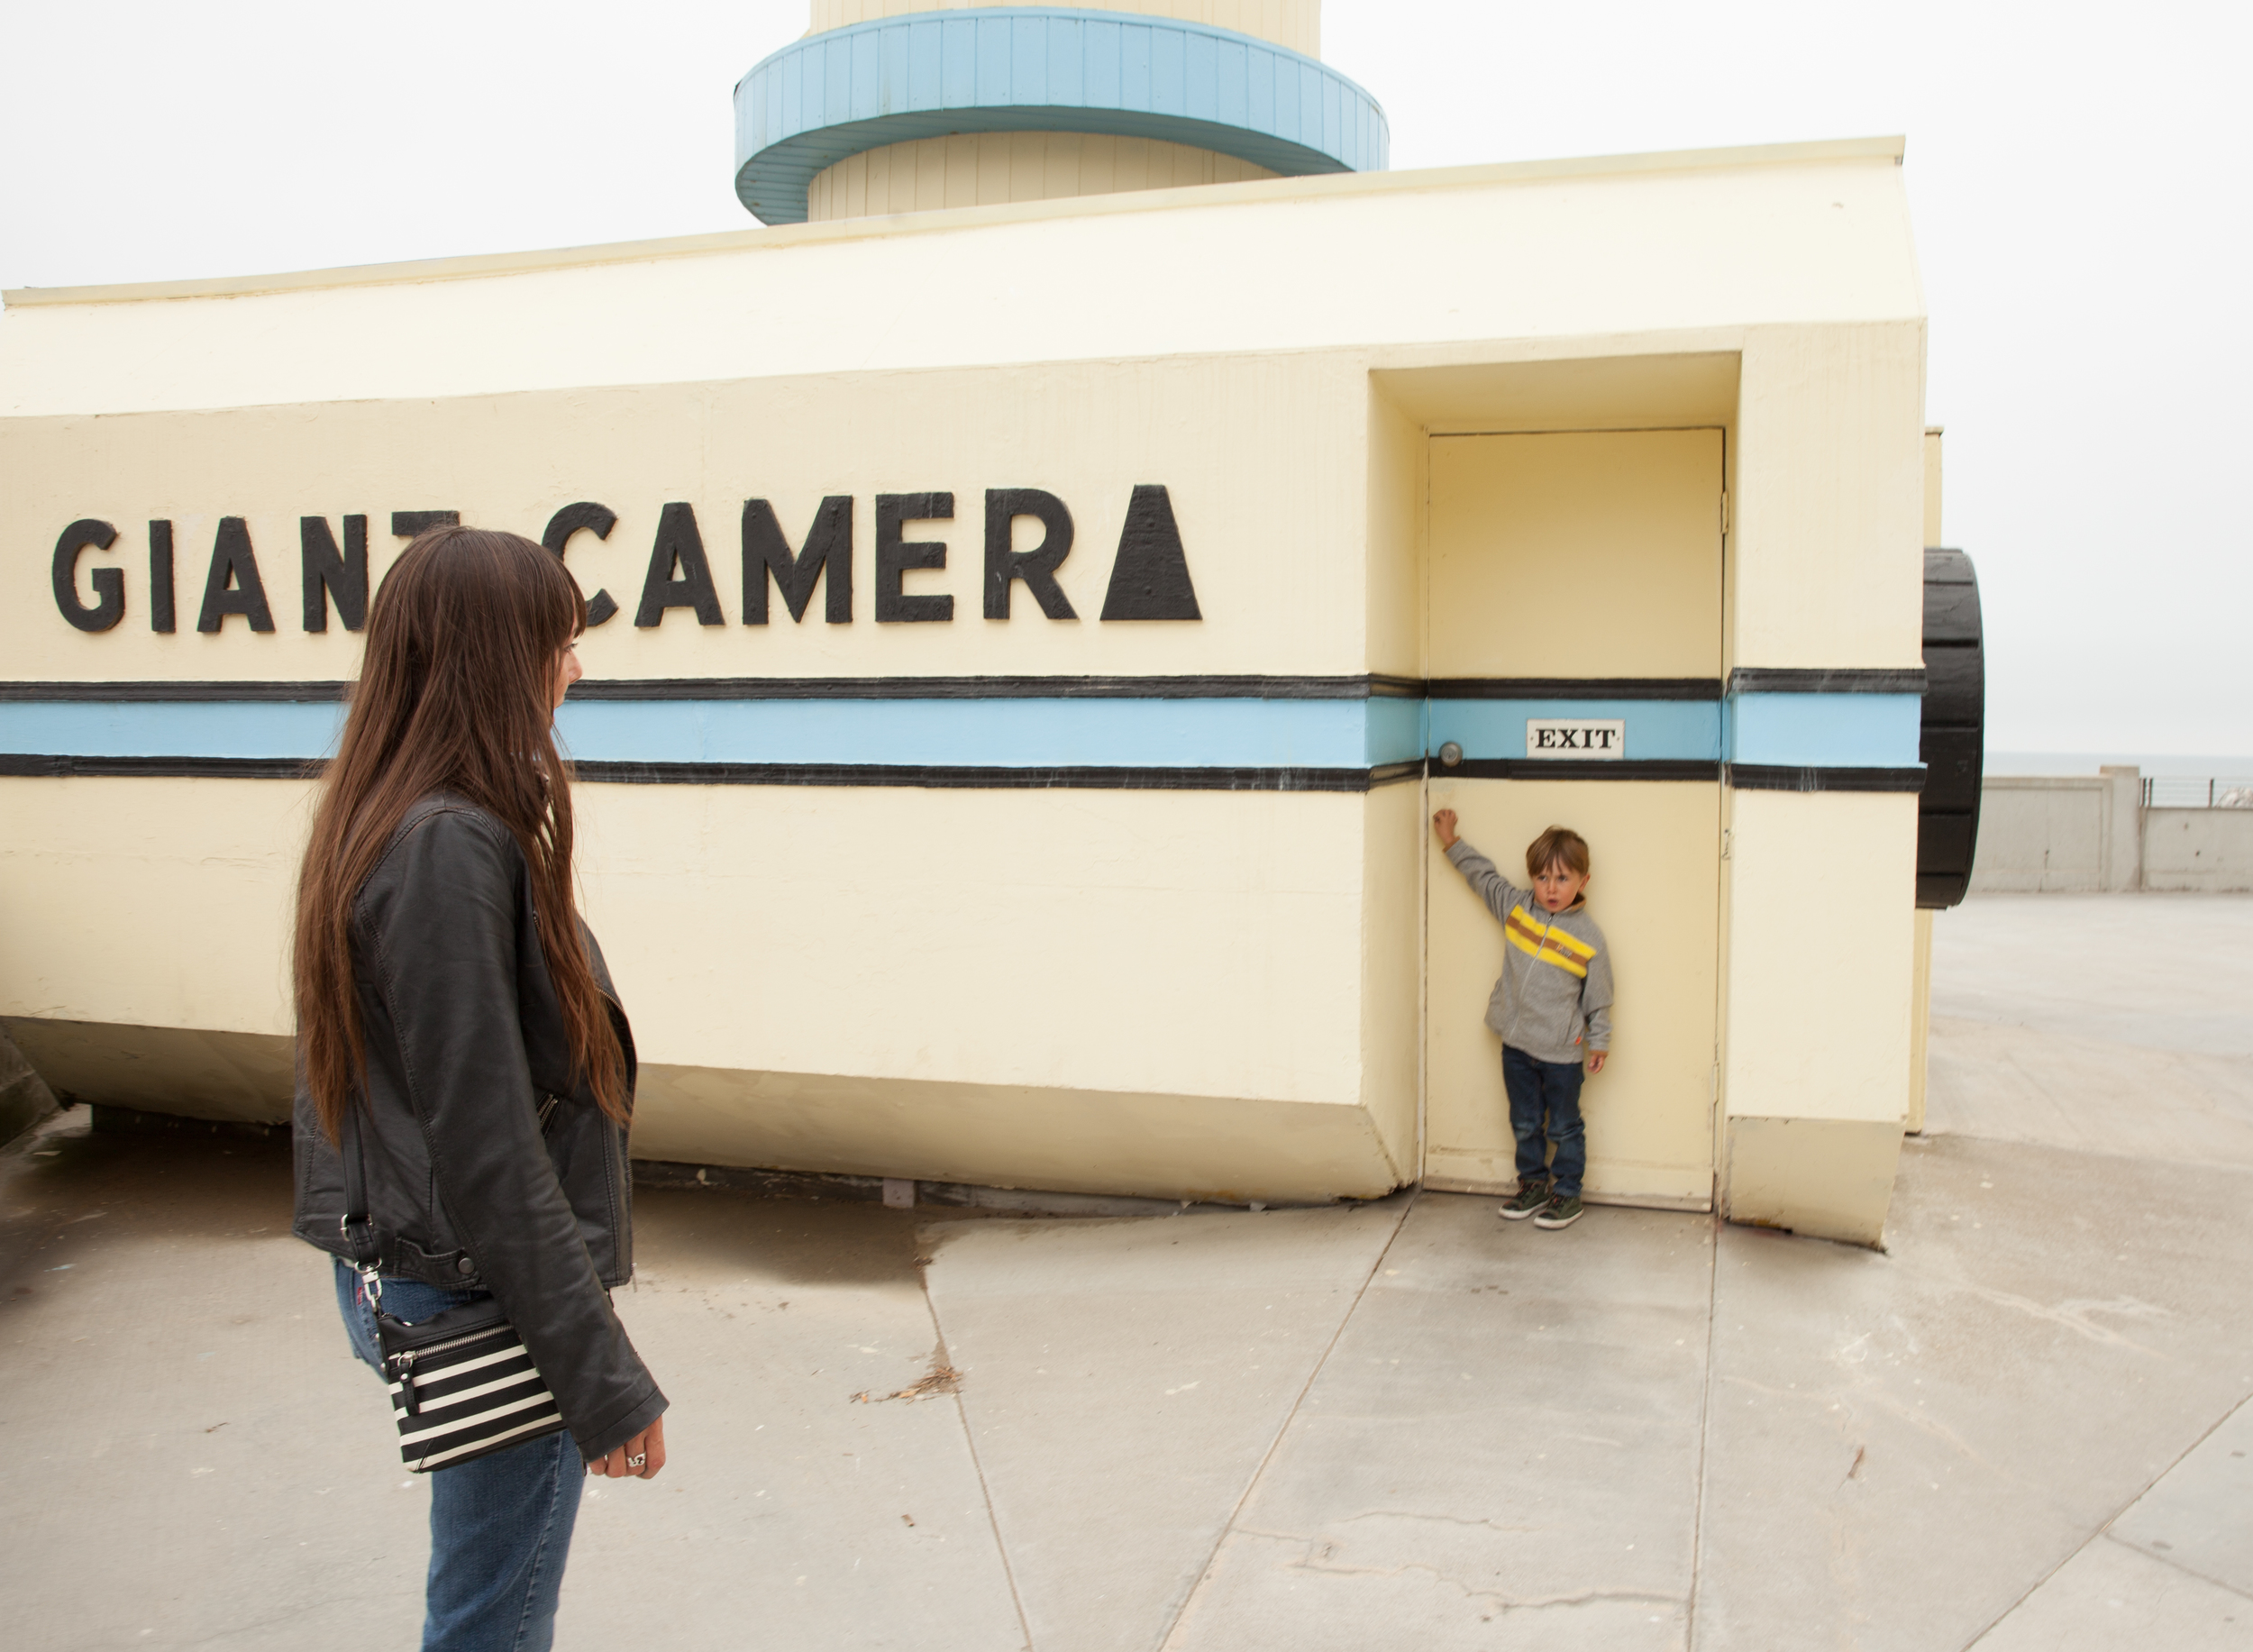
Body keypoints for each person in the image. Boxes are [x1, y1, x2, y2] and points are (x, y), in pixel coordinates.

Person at [290, 525, 668, 1651]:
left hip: (429, 1276)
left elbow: (371, 1087)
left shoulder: (391, 815)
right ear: (497, 657)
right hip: (478, 1300)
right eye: (561, 640)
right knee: (491, 1621)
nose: (578, 667)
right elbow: (486, 1143)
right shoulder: (448, 843)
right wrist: (602, 1379)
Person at [1431, 811, 1613, 1230]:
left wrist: (1599, 1041)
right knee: (1525, 1121)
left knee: (1565, 1127)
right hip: (1516, 1046)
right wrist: (1450, 840)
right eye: (1543, 878)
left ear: (1583, 881)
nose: (1552, 888)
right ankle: (1532, 1184)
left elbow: (1600, 1000)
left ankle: (1567, 1194)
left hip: (1561, 1054)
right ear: (1532, 877)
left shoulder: (1589, 939)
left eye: (1563, 879)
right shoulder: (1517, 910)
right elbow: (1483, 878)